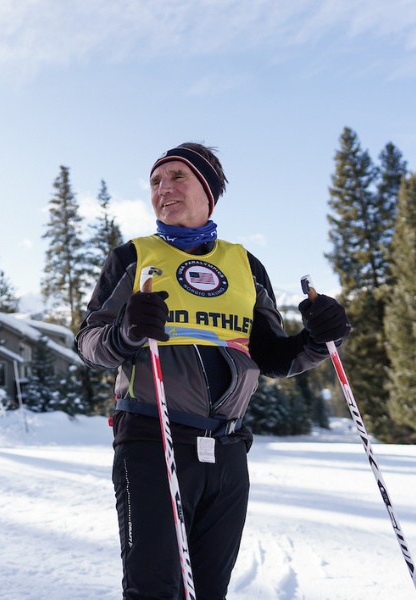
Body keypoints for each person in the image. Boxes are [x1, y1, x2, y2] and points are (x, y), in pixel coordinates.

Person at [76, 142, 351, 599]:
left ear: (208, 189)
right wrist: (124, 332)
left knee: (208, 591)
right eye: (155, 182)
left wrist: (319, 340)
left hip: (227, 449)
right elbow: (89, 344)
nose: (163, 188)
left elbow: (274, 357)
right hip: (152, 439)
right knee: (155, 590)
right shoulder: (132, 258)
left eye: (177, 177)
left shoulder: (244, 265)